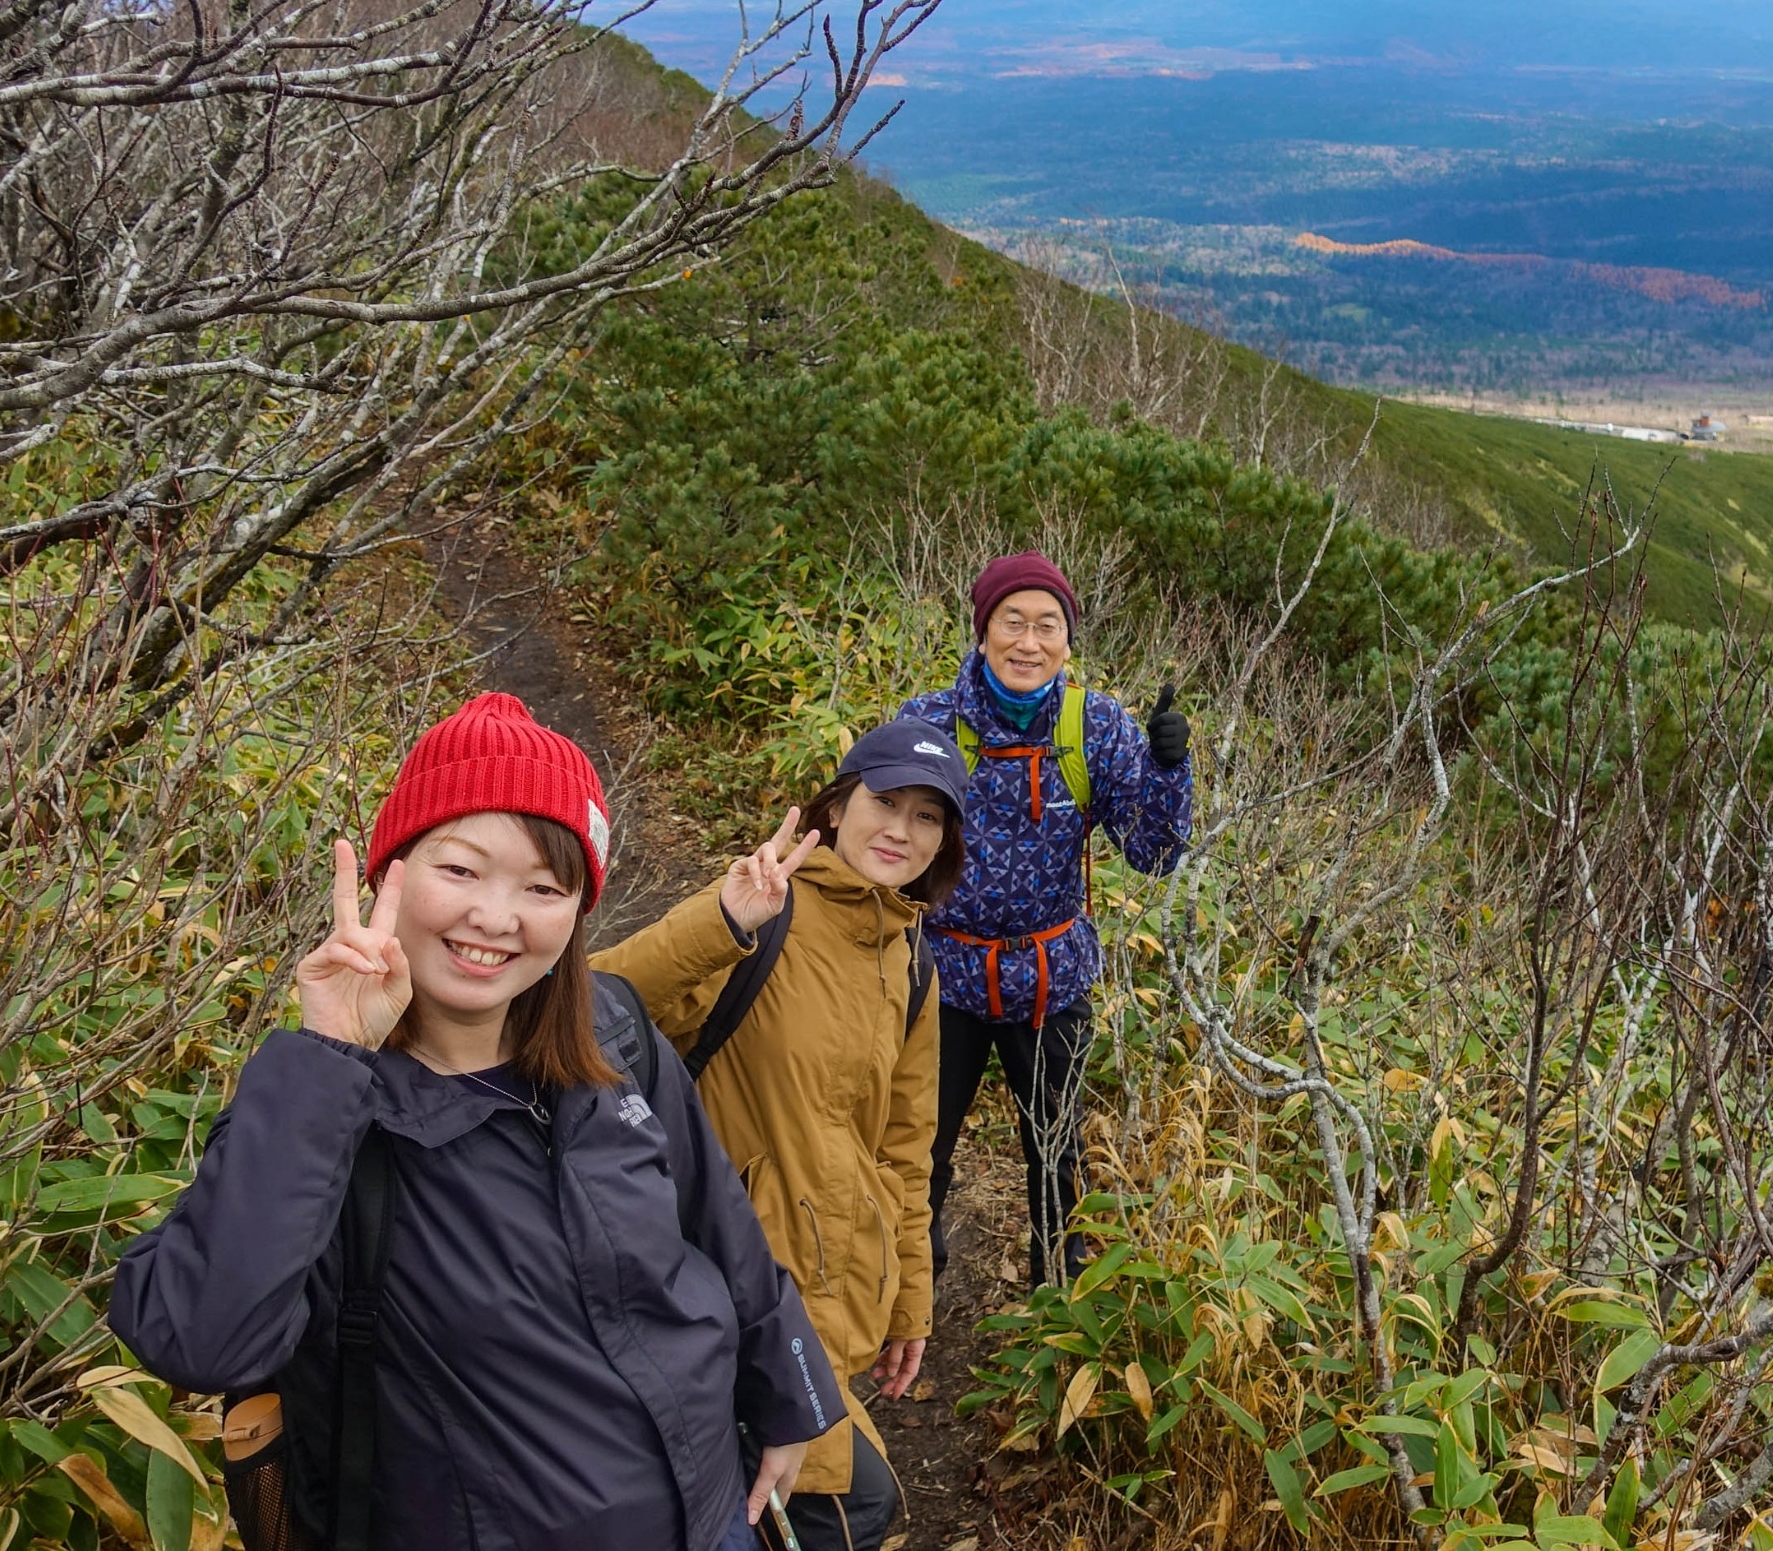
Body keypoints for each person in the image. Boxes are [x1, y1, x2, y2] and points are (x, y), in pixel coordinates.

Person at [111, 692, 836, 1551]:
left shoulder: (614, 1032)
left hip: (711, 1511)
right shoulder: (326, 1109)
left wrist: (790, 1397)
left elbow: (718, 1226)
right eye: (460, 870)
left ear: (575, 913)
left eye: (542, 886)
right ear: (390, 873)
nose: (496, 918)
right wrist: (328, 1054)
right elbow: (201, 1340)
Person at [592, 718, 968, 1551]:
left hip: (830, 1297)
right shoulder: (762, 912)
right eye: (887, 801)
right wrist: (724, 921)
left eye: (928, 817)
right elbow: (594, 1006)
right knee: (840, 1510)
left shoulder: (911, 961)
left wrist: (912, 1302)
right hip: (725, 1291)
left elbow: (906, 1151)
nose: (902, 830)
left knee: (834, 1506)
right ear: (836, 807)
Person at [898, 551, 1193, 1287]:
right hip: (939, 976)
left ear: (1067, 641)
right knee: (915, 1145)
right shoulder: (930, 721)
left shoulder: (1093, 725)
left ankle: (1057, 1305)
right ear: (982, 629)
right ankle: (904, 1292)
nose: (1027, 642)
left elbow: (1154, 854)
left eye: (1047, 626)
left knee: (1054, 1151)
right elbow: (878, 843)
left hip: (1049, 981)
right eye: (1012, 622)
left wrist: (1166, 772)